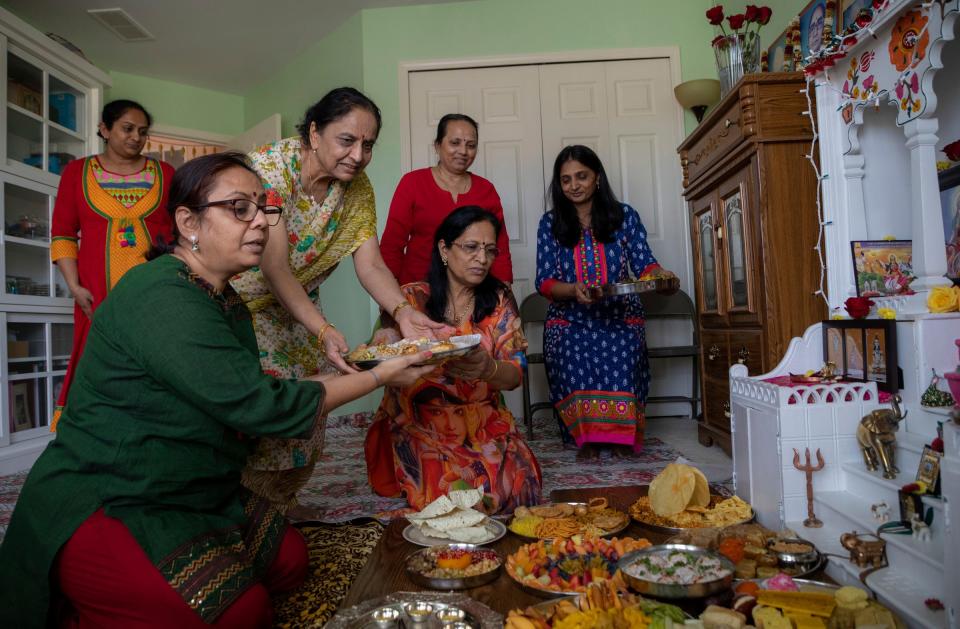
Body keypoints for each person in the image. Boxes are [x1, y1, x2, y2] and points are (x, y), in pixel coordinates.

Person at [0, 152, 434, 629]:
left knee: (291, 559)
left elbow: (247, 387)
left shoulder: (222, 298)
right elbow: (257, 407)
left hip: (194, 487)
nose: (260, 222)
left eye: (264, 207)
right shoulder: (162, 293)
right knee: (242, 613)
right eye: (238, 207)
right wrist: (378, 376)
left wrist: (351, 369)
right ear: (188, 221)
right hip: (114, 492)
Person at [230, 88, 450, 514]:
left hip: (298, 309)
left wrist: (405, 312)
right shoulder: (271, 170)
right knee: (264, 411)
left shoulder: (357, 189)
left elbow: (370, 265)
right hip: (241, 308)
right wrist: (325, 328)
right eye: (346, 140)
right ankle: (249, 511)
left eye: (368, 144)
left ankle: (280, 504)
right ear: (314, 132)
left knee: (311, 410)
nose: (358, 154)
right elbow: (275, 269)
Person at [365, 206, 541, 513]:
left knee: (519, 488)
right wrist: (386, 340)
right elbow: (381, 352)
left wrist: (488, 368)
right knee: (450, 495)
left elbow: (514, 375)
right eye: (471, 247)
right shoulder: (410, 299)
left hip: (483, 422)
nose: (482, 259)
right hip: (421, 421)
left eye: (489, 250)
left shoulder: (499, 300)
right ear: (444, 249)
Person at [535, 145, 676, 461]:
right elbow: (544, 281)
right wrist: (573, 290)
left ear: (597, 177)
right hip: (569, 318)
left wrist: (661, 275)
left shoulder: (624, 216)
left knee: (623, 350)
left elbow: (644, 264)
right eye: (566, 179)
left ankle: (621, 438)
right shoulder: (550, 223)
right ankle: (587, 439)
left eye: (581, 176)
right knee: (570, 349)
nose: (574, 185)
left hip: (618, 314)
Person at [49, 99, 174, 429]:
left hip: (156, 294)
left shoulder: (166, 174)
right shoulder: (77, 172)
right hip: (96, 294)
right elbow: (62, 233)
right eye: (127, 128)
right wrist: (74, 286)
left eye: (143, 132)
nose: (136, 137)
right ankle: (95, 436)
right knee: (99, 363)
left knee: (158, 360)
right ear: (104, 129)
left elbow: (182, 230)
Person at [380, 114, 513, 285]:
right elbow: (392, 245)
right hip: (418, 288)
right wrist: (390, 297)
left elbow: (499, 247)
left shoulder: (486, 189)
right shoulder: (412, 183)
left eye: (471, 145)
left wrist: (503, 290)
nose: (463, 151)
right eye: (455, 143)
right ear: (437, 145)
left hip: (474, 292)